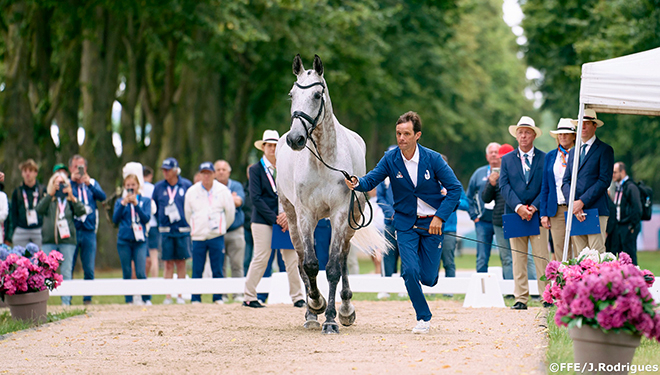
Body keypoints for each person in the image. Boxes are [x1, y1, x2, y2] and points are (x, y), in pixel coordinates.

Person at [345, 111, 462, 334]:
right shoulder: (391, 159)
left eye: (406, 133)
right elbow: (372, 179)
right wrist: (357, 182)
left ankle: (427, 278)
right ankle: (423, 317)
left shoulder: (434, 159)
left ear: (417, 135)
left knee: (428, 277)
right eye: (398, 133)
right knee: (409, 271)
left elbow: (455, 189)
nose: (401, 138)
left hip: (432, 225)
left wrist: (440, 217)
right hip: (405, 225)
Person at [243, 130, 305, 308]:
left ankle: (298, 297)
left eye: (275, 145)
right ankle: (249, 295)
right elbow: (256, 198)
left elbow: (295, 193)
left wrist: (288, 214)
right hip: (263, 220)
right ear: (263, 147)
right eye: (269, 145)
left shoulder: (288, 168)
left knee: (292, 260)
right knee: (261, 257)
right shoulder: (256, 169)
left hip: (286, 220)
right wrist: (276, 218)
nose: (272, 148)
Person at [499, 116, 549, 310]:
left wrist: (534, 207)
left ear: (534, 135)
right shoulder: (507, 159)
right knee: (518, 258)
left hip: (537, 214)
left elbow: (547, 185)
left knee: (541, 257)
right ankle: (521, 298)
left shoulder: (545, 158)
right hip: (514, 214)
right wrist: (519, 207)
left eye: (527, 132)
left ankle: (547, 297)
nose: (523, 136)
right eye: (520, 132)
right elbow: (504, 186)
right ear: (516, 135)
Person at [561, 109, 614, 253]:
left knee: (597, 255)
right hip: (576, 212)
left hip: (596, 210)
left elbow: (604, 181)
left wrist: (581, 202)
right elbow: (565, 181)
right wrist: (573, 204)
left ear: (594, 126)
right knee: (580, 256)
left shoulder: (604, 150)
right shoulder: (572, 152)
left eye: (587, 123)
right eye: (580, 124)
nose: (583, 127)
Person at [185, 162, 236, 304]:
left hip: (216, 236)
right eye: (203, 173)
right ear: (200, 175)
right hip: (198, 236)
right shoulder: (192, 192)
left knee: (217, 268)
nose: (206, 176)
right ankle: (195, 298)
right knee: (197, 269)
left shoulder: (223, 190)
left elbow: (230, 213)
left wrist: (222, 227)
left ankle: (218, 297)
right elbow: (188, 214)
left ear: (213, 174)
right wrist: (196, 227)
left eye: (209, 173)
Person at [37, 172, 86, 305]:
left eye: (62, 183)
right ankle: (47, 301)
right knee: (47, 272)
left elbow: (82, 211)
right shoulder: (49, 199)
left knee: (66, 271)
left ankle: (66, 302)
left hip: (67, 242)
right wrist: (50, 194)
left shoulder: (69, 201)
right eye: (57, 183)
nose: (60, 186)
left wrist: (71, 196)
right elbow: (38, 210)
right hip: (49, 241)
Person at [152, 157, 193, 305]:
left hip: (182, 229)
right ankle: (168, 296)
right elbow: (155, 208)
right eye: (163, 170)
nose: (165, 172)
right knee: (168, 263)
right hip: (166, 230)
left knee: (181, 263)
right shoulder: (159, 188)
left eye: (168, 170)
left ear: (175, 170)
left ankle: (180, 295)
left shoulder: (186, 185)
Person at [68, 155, 107, 305]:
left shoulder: (91, 183)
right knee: (69, 266)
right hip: (73, 231)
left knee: (89, 268)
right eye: (76, 166)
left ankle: (88, 299)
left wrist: (89, 183)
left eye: (81, 167)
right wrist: (71, 181)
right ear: (71, 168)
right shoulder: (68, 184)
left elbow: (102, 197)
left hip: (89, 231)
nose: (79, 170)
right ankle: (68, 299)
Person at [112, 173, 152, 305]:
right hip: (124, 240)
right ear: (124, 187)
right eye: (128, 185)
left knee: (141, 271)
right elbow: (115, 220)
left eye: (133, 185)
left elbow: (146, 218)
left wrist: (136, 205)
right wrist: (123, 204)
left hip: (139, 240)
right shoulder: (119, 202)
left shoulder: (145, 201)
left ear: (138, 186)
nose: (131, 188)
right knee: (127, 271)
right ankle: (129, 299)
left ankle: (146, 298)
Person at [540, 119, 577, 262]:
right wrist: (544, 213)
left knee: (580, 248)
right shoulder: (550, 156)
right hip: (557, 209)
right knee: (560, 249)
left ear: (574, 135)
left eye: (566, 134)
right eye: (560, 134)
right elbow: (545, 186)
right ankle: (565, 282)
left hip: (576, 206)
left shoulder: (580, 154)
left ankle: (580, 282)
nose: (562, 136)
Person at [481, 144, 519, 281]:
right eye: (501, 158)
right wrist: (491, 183)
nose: (503, 161)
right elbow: (485, 198)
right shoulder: (495, 175)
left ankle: (531, 290)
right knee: (506, 257)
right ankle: (509, 289)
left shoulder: (518, 173)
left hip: (517, 219)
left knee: (523, 256)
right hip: (499, 220)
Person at [214, 160, 246, 300]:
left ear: (229, 172)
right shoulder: (211, 187)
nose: (221, 172)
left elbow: (239, 201)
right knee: (220, 265)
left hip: (235, 230)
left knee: (237, 264)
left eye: (224, 169)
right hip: (217, 231)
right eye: (218, 169)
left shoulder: (236, 185)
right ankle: (222, 294)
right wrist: (230, 198)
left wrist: (222, 199)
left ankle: (238, 293)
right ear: (215, 172)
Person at [466, 143, 500, 273]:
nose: (493, 154)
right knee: (482, 256)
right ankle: (481, 288)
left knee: (507, 256)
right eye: (491, 152)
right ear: (487, 156)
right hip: (483, 222)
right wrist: (474, 216)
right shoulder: (479, 173)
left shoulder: (507, 172)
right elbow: (469, 196)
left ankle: (509, 289)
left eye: (496, 152)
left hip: (502, 222)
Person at [610, 162, 642, 264]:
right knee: (618, 255)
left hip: (627, 225)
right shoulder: (618, 187)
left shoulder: (630, 186)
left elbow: (637, 208)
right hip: (619, 226)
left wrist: (632, 225)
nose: (613, 175)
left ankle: (634, 277)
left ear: (622, 172)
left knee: (630, 255)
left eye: (615, 172)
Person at [8, 159, 45, 247]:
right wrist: (16, 228)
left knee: (40, 258)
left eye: (31, 170)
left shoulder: (42, 190)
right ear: (22, 173)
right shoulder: (17, 192)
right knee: (19, 258)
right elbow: (14, 212)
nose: (28, 173)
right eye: (25, 171)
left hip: (38, 229)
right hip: (21, 230)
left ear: (36, 173)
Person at [142, 166, 160, 278]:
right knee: (154, 255)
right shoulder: (154, 188)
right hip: (153, 224)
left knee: (143, 255)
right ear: (150, 176)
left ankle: (144, 278)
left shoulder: (138, 188)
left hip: (142, 225)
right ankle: (155, 279)